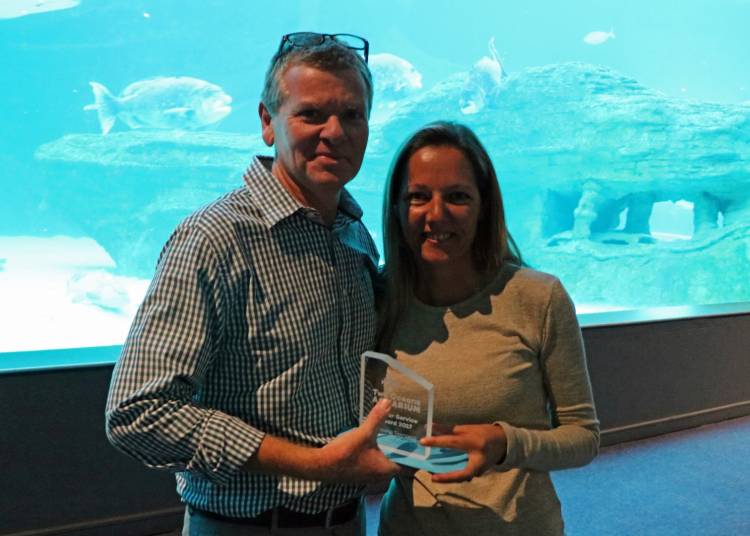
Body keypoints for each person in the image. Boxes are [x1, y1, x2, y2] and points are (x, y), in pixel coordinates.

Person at [105, 32, 400, 535]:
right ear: (267, 122)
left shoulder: (353, 233)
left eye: (352, 115)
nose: (335, 132)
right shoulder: (214, 238)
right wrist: (313, 464)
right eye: (311, 114)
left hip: (349, 521)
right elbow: (136, 413)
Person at [375, 121, 600, 535]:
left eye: (457, 196)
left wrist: (503, 443)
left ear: (485, 206)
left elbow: (583, 438)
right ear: (396, 208)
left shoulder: (539, 297)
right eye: (418, 196)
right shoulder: (379, 298)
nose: (436, 214)